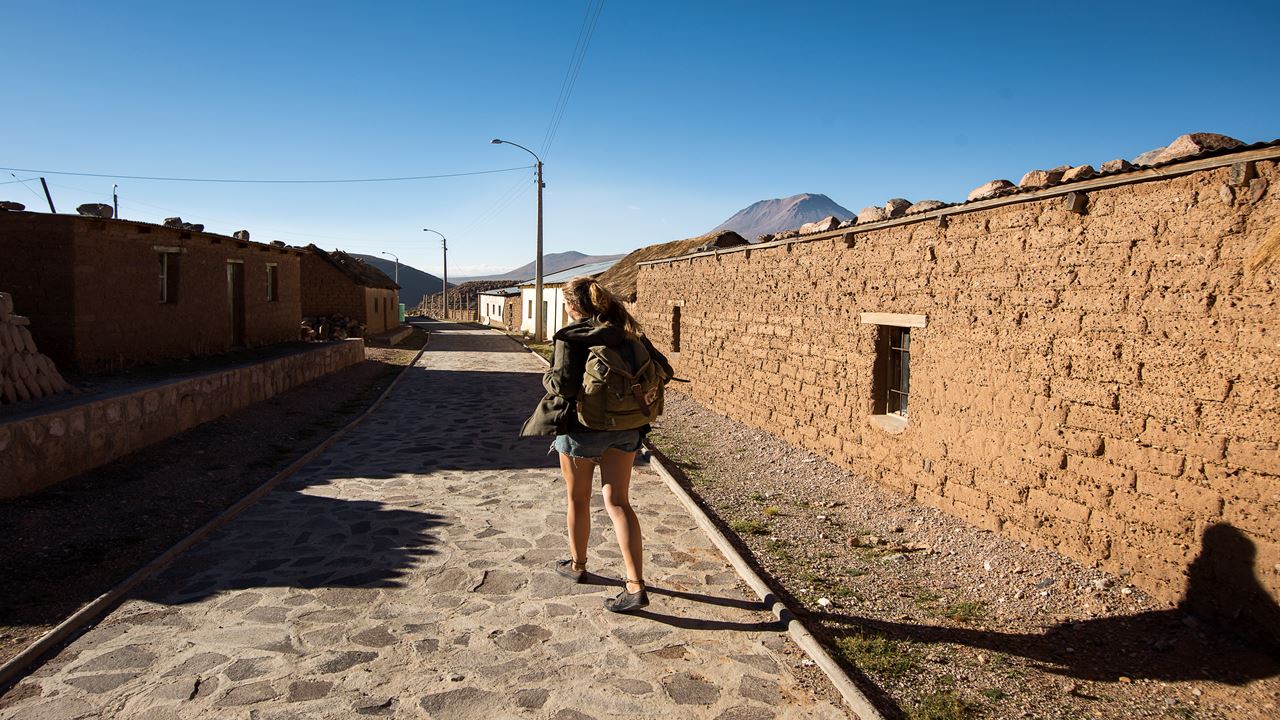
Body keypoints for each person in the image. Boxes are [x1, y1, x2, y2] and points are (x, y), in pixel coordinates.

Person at [520, 276, 673, 612]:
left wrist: (546, 375)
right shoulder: (630, 331)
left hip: (580, 430)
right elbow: (666, 370)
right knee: (619, 502)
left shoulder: (571, 337)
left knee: (578, 498)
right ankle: (635, 585)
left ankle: (577, 566)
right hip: (627, 429)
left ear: (573, 307)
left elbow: (561, 385)